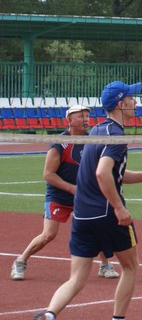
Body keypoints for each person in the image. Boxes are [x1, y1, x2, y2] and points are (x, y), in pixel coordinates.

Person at [32, 82, 142, 320]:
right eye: (131, 98)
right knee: (130, 268)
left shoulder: (96, 131)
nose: (136, 102)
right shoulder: (116, 135)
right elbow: (102, 173)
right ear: (120, 104)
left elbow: (115, 173)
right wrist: (119, 207)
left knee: (77, 278)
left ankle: (49, 315)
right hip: (108, 214)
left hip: (82, 216)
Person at [11, 105, 119, 282]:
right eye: (80, 116)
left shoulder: (92, 140)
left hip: (83, 196)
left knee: (96, 228)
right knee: (48, 235)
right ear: (69, 120)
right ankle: (20, 261)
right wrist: (71, 188)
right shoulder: (59, 144)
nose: (85, 119)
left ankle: (105, 265)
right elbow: (48, 174)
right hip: (59, 196)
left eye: (87, 116)